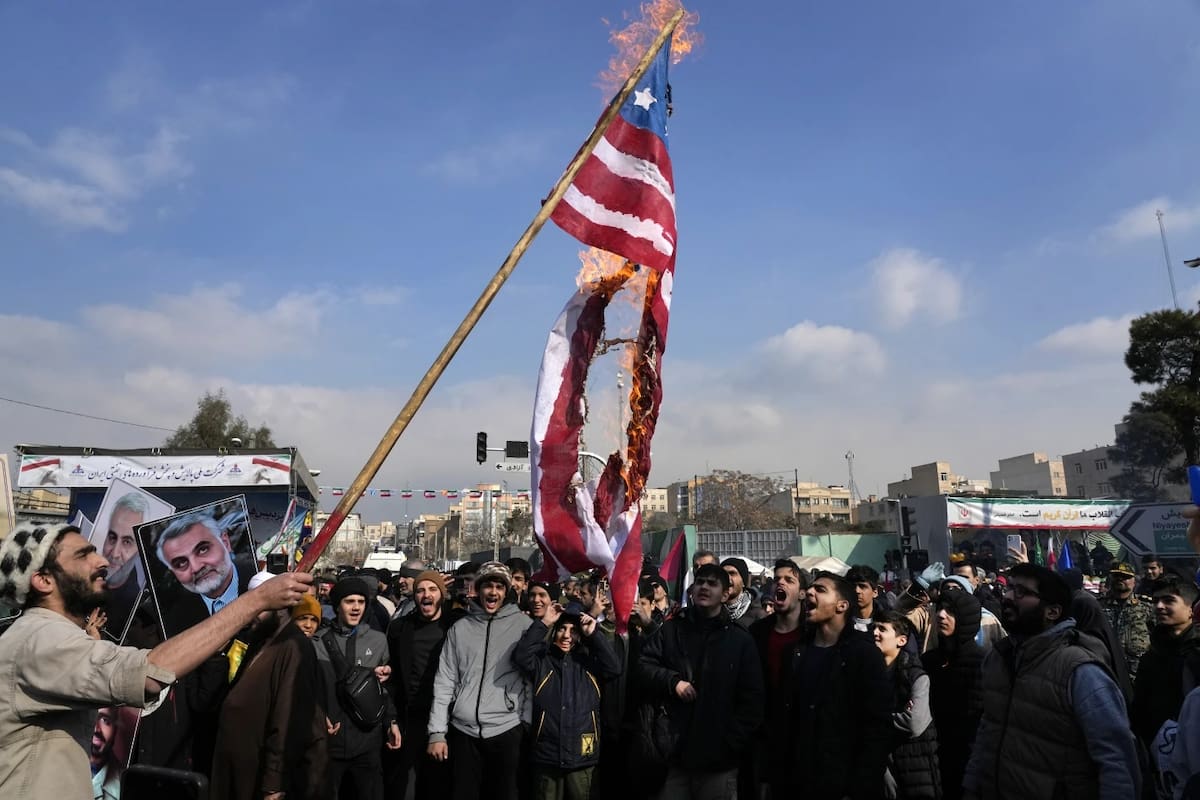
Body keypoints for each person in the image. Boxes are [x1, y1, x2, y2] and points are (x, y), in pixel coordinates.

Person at [0, 523, 311, 800]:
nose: (103, 561)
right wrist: (256, 600)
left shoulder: (49, 635)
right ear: (43, 580)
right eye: (84, 556)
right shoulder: (40, 639)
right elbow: (148, 673)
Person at [964, 563, 1139, 799]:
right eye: (1010, 588)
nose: (1007, 597)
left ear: (1053, 612)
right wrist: (972, 786)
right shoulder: (1000, 658)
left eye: (1022, 592)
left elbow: (1116, 759)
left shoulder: (1080, 670)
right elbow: (988, 730)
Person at [637, 563, 764, 799]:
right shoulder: (671, 630)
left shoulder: (740, 640)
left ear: (725, 594)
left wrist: (729, 743)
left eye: (712, 583)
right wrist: (673, 681)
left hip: (719, 762)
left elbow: (752, 700)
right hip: (675, 754)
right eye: (700, 582)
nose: (704, 587)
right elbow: (644, 665)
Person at [770, 570, 891, 799]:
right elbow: (783, 722)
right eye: (810, 589)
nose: (809, 593)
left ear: (842, 606)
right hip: (799, 784)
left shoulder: (864, 655)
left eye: (820, 590)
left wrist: (859, 788)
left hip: (845, 785)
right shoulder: (794, 654)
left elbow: (877, 729)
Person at [427, 561, 533, 800]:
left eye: (499, 586)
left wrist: (525, 723)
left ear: (506, 592)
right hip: (464, 732)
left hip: (507, 730)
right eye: (488, 586)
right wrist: (437, 733)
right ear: (479, 589)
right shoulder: (460, 628)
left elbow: (530, 681)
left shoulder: (524, 627)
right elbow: (445, 680)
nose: (493, 592)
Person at [210, 601, 329, 800]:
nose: (253, 613)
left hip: (259, 777)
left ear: (281, 609)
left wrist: (275, 780)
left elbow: (287, 716)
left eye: (261, 606)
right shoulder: (262, 639)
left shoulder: (294, 646)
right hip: (239, 770)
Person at [514, 603, 621, 800]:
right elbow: (521, 656)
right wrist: (544, 622)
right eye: (562, 628)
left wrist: (594, 633)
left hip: (582, 754)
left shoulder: (590, 663)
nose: (566, 635)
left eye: (573, 630)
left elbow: (614, 668)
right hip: (547, 755)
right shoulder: (542, 661)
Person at [317, 575, 401, 800]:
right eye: (349, 601)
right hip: (328, 744)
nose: (356, 608)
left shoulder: (378, 640)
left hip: (367, 743)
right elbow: (307, 690)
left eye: (361, 602)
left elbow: (383, 690)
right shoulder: (316, 643)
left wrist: (391, 722)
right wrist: (318, 716)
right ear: (336, 606)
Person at [384, 571, 460, 800]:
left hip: (448, 719)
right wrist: (392, 719)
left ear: (442, 595)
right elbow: (392, 679)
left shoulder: (455, 626)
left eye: (432, 589)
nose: (426, 595)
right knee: (406, 785)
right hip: (411, 718)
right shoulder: (400, 628)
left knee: (439, 785)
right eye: (420, 590)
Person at [749, 558, 807, 800]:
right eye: (777, 579)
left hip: (803, 739)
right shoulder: (757, 632)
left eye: (789, 580)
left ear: (803, 593)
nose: (780, 584)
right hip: (764, 737)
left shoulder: (814, 633)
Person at [922, 584, 983, 800]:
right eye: (939, 608)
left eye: (950, 611)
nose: (941, 615)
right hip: (932, 758)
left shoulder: (982, 663)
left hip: (966, 763)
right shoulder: (929, 660)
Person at [155, 509, 255, 636]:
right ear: (173, 572)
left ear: (225, 543)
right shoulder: (176, 623)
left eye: (203, 550)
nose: (196, 568)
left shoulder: (262, 578)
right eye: (180, 563)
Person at [874, 611, 940, 800]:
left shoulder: (915, 677)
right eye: (874, 628)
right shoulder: (869, 673)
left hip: (914, 768)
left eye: (882, 629)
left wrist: (874, 716)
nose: (875, 633)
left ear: (901, 641)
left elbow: (914, 723)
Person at [1132, 575, 1200, 747]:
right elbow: (1140, 706)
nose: (1159, 606)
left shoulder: (1197, 654)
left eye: (1169, 600)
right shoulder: (1152, 655)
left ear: (1191, 609)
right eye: (1156, 601)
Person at [95, 492, 149, 639]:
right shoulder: (82, 582)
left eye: (127, 542)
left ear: (140, 550)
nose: (115, 553)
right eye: (112, 537)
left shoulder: (138, 606)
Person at [1102, 561, 1153, 681]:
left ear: (1134, 581)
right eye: (1116, 576)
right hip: (1108, 669)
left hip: (1138, 672)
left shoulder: (1147, 607)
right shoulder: (1098, 606)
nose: (1120, 579)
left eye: (1125, 577)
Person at [721, 557, 766, 628]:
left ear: (743, 582)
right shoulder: (711, 611)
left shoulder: (758, 615)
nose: (727, 578)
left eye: (732, 573)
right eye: (723, 574)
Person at [90, 706, 124, 800]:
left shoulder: (124, 786)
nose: (97, 729)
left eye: (105, 721)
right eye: (91, 717)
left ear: (115, 730)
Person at [846, 564, 883, 633]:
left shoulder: (887, 624)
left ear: (875, 592)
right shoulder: (839, 624)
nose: (857, 591)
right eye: (852, 586)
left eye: (862, 586)